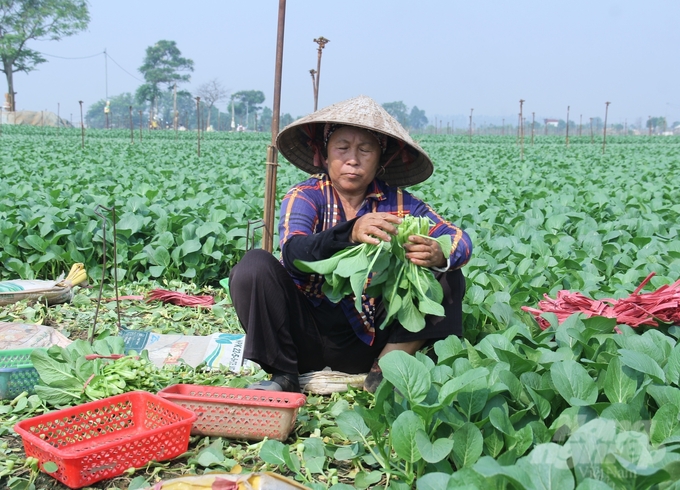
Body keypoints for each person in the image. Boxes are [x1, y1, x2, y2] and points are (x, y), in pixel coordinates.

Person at [229, 95, 472, 393]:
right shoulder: (306, 195)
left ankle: (384, 372)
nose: (352, 159)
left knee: (448, 272)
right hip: (304, 335)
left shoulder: (400, 204)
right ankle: (283, 376)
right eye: (342, 148)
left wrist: (439, 252)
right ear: (325, 154)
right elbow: (294, 252)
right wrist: (349, 233)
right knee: (253, 266)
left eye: (365, 150)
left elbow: (461, 239)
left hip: (371, 341)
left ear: (380, 159)